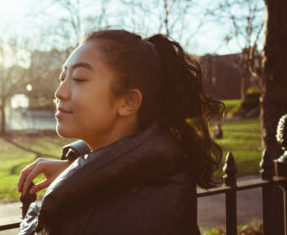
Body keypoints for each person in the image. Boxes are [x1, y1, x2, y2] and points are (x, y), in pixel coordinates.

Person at [17, 30, 223, 235]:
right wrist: (79, 173)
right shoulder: (156, 172)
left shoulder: (121, 220)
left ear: (128, 102)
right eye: (63, 77)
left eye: (79, 78)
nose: (59, 92)